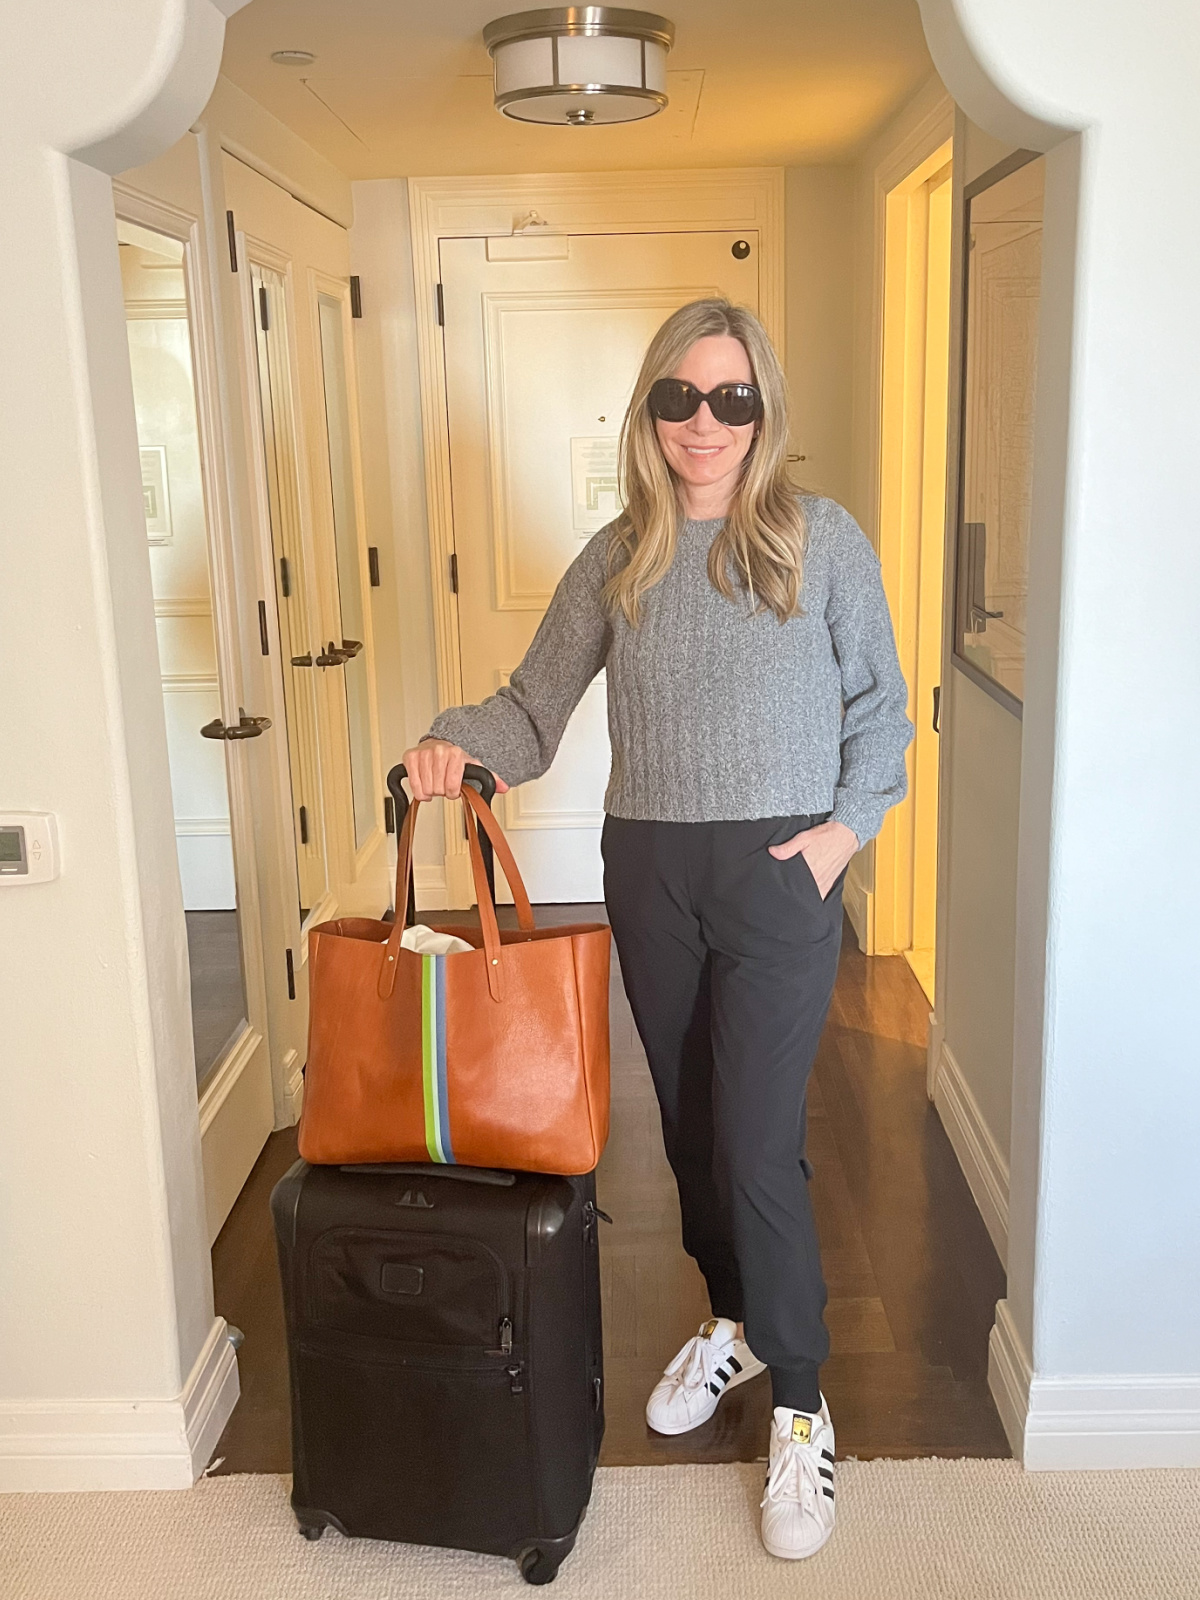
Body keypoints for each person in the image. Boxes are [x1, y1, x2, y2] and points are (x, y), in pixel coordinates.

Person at [403, 298, 912, 1560]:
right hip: (650, 867)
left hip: (782, 868)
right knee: (692, 1126)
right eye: (680, 399)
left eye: (731, 400)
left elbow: (884, 713)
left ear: (763, 413)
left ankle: (799, 1395)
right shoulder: (616, 555)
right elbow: (531, 709)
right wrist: (454, 744)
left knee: (754, 1139)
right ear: (650, 411)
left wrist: (842, 838)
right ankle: (732, 1316)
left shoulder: (818, 540)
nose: (705, 424)